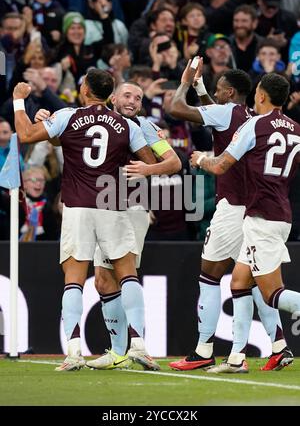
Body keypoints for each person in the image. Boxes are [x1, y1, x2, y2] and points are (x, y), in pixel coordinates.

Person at [13, 68, 157, 371]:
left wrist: (18, 102)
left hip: (78, 207)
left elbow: (26, 136)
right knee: (128, 275)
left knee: (74, 280)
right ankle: (139, 345)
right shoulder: (126, 125)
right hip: (113, 207)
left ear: (85, 90)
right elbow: (150, 162)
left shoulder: (68, 116)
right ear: (111, 95)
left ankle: (75, 352)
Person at [168, 59, 293, 372]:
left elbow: (177, 109)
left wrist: (186, 83)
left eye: (220, 90)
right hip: (262, 206)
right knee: (245, 281)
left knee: (210, 274)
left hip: (235, 207)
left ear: (233, 93)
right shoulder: (251, 117)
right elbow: (220, 114)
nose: (215, 94)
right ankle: (276, 345)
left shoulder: (233, 114)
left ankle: (203, 349)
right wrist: (202, 90)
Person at [84, 81, 182, 370]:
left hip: (131, 207)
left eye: (138, 98)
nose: (133, 101)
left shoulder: (146, 127)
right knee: (103, 279)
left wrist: (147, 169)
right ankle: (120, 352)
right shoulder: (98, 122)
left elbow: (174, 162)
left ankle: (137, 345)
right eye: (127, 95)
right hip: (102, 205)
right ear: (113, 97)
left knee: (123, 271)